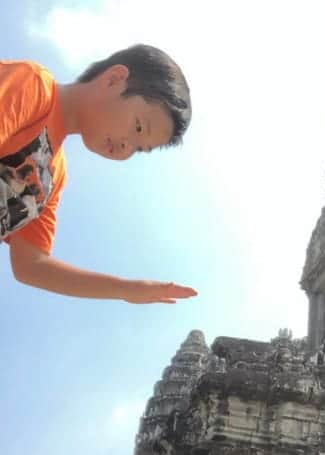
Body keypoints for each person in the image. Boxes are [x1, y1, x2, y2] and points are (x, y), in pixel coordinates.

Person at [0, 45, 197, 303]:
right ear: (114, 79)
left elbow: (31, 265)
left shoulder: (53, 176)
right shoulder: (32, 84)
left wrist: (126, 290)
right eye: (138, 127)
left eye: (140, 149)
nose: (128, 147)